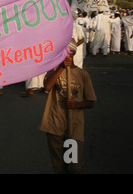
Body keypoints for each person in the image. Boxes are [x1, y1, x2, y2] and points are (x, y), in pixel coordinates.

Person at [39, 39, 97, 174]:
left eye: (70, 54)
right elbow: (47, 87)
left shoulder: (82, 75)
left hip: (73, 128)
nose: (67, 57)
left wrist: (76, 104)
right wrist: (61, 68)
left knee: (75, 166)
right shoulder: (54, 71)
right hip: (55, 125)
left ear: (74, 54)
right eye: (65, 54)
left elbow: (91, 102)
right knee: (59, 167)